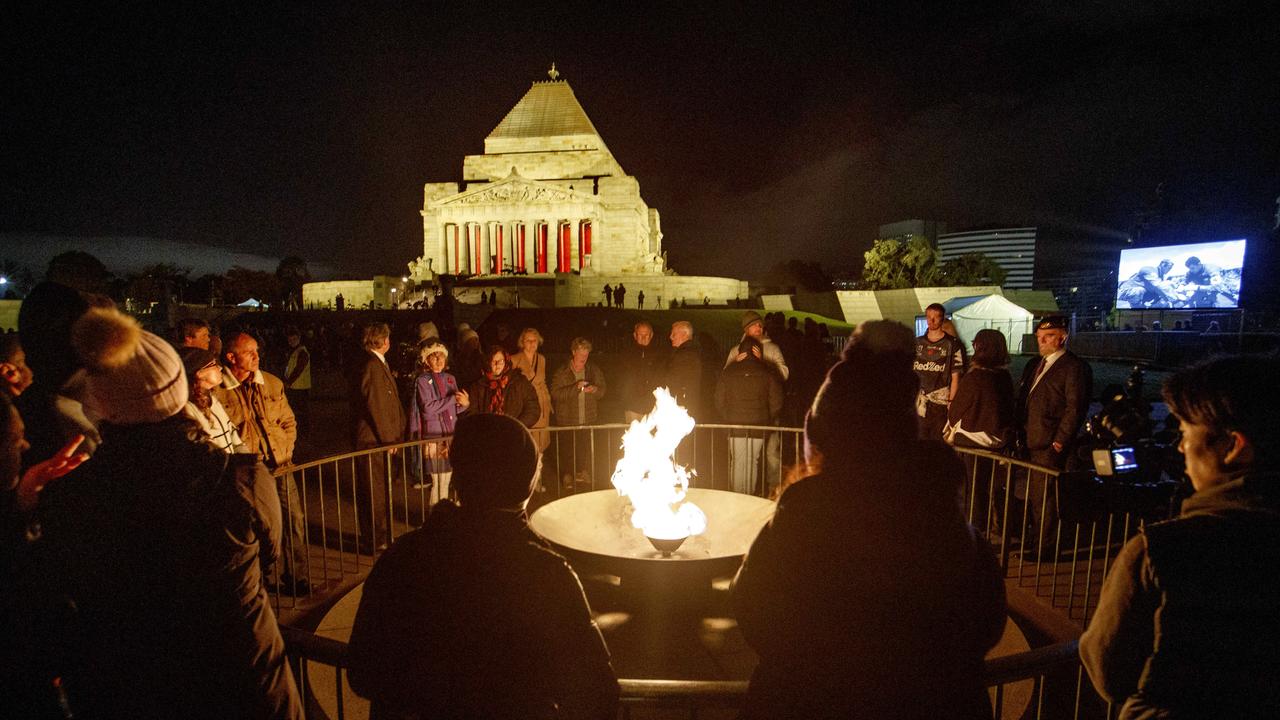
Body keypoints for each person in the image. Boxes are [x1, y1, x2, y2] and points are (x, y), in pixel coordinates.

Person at [733, 320, 1005, 719]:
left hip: (814, 700)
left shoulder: (803, 513)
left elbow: (754, 609)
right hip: (936, 702)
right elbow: (985, 618)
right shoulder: (939, 509)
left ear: (825, 436)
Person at [39, 308, 303, 718]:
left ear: (105, 404)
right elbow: (269, 553)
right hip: (239, 669)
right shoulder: (240, 478)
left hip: (128, 686)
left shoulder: (68, 495)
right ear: (177, 390)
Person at [347, 413, 619, 719]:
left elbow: (362, 672)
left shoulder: (403, 558)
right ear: (528, 483)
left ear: (458, 475)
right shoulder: (546, 574)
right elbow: (597, 692)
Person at [1079, 354, 1280, 718]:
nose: (1180, 449)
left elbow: (1108, 670)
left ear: (1232, 446)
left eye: (1186, 433)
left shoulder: (1160, 550)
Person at [216, 331, 309, 593]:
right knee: (255, 525)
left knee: (293, 521)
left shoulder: (271, 383)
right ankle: (263, 579)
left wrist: (285, 448)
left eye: (257, 350)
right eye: (249, 352)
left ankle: (297, 577)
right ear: (232, 357)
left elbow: (288, 421)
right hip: (248, 471)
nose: (256, 356)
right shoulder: (218, 393)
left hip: (280, 465)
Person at [1013, 315, 1092, 550]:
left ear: (1063, 337)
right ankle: (1036, 537)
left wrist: (1060, 441)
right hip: (1031, 438)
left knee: (1045, 496)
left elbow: (1075, 407)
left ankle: (1044, 546)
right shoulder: (1036, 364)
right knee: (1036, 494)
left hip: (1050, 443)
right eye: (1039, 337)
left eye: (1048, 337)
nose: (1042, 342)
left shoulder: (1073, 367)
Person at [347, 322, 405, 553]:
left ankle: (379, 535)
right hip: (373, 440)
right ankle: (376, 538)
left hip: (375, 438)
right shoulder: (372, 365)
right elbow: (377, 405)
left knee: (378, 489)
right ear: (385, 341)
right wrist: (389, 439)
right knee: (375, 491)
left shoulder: (373, 363)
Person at [715, 337, 783, 495]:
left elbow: (718, 399)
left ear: (740, 352)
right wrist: (768, 417)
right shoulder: (766, 372)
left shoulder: (729, 372)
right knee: (753, 461)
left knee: (737, 461)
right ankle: (748, 495)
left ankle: (736, 494)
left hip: (734, 424)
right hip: (757, 424)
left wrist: (727, 415)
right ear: (757, 352)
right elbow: (777, 400)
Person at [407, 339, 469, 506]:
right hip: (433, 437)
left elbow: (456, 408)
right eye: (434, 357)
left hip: (450, 435)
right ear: (426, 360)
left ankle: (445, 516)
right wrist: (451, 400)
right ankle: (435, 517)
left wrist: (464, 404)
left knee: (446, 481)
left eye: (441, 357)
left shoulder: (450, 379)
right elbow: (427, 409)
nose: (439, 361)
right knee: (436, 482)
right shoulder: (422, 381)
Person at [550, 337, 607, 489]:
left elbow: (602, 390)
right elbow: (555, 394)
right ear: (573, 352)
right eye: (581, 354)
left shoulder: (592, 369)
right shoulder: (562, 372)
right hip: (567, 418)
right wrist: (575, 387)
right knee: (567, 449)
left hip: (587, 417)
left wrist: (594, 390)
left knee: (584, 447)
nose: (584, 357)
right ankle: (567, 476)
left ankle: (582, 473)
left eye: (586, 354)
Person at [945, 328, 1015, 450]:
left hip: (971, 440)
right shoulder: (1005, 377)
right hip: (998, 441)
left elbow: (956, 411)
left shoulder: (974, 377)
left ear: (980, 348)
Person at [179, 346, 245, 453]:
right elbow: (204, 448)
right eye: (213, 364)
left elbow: (231, 432)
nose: (220, 368)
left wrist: (244, 457)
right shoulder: (187, 408)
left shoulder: (211, 399)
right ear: (199, 373)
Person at [914, 303, 965, 441]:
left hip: (939, 405)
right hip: (919, 403)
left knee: (936, 444)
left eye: (936, 317)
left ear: (942, 319)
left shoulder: (952, 344)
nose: (931, 321)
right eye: (929, 317)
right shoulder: (917, 343)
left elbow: (956, 377)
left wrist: (951, 403)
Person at [469, 346, 541, 429]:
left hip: (513, 434)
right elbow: (473, 413)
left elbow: (533, 408)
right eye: (494, 361)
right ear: (487, 362)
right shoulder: (479, 386)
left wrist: (516, 426)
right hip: (489, 435)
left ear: (506, 361)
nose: (498, 364)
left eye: (501, 361)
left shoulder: (519, 382)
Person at [509, 327, 552, 452]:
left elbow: (542, 381)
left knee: (541, 443)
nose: (532, 343)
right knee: (527, 443)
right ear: (522, 342)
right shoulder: (514, 359)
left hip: (542, 404)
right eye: (528, 340)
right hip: (525, 406)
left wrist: (547, 401)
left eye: (535, 340)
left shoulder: (542, 359)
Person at [621, 321, 665, 423]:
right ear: (635, 335)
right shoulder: (626, 354)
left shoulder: (660, 355)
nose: (644, 337)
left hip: (653, 406)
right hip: (633, 406)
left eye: (647, 335)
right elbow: (622, 381)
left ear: (651, 335)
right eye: (641, 335)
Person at [666, 320, 702, 418]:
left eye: (674, 334)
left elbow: (675, 381)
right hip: (687, 404)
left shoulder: (684, 355)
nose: (670, 337)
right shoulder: (694, 352)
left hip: (681, 406)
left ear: (685, 334)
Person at [282, 326, 311, 435]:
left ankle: (303, 431)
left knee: (301, 411)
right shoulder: (294, 351)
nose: (291, 342)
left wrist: (289, 382)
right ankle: (301, 430)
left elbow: (298, 369)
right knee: (297, 410)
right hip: (295, 386)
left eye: (294, 339)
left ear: (299, 338)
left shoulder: (302, 352)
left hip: (300, 387)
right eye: (290, 340)